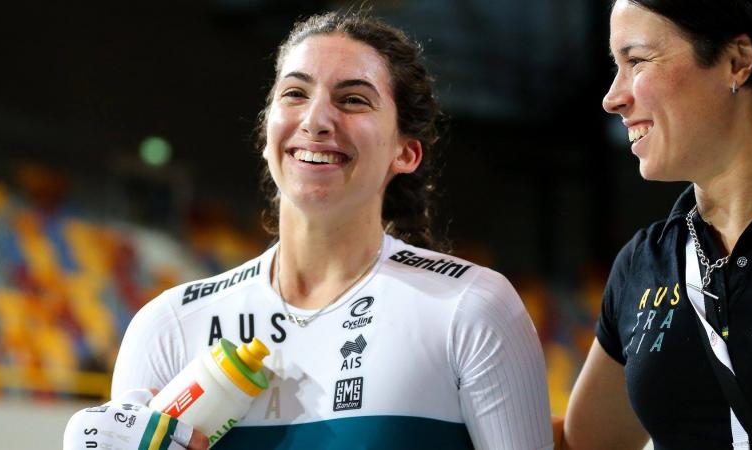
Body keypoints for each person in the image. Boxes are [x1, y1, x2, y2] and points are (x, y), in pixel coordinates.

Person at [63, 10, 553, 450]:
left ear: (406, 152)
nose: (316, 119)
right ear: (267, 132)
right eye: (295, 93)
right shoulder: (168, 327)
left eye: (354, 100)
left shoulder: (472, 308)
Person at [562, 0, 752, 449]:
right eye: (616, 65)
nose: (612, 97)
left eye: (636, 61)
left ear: (736, 61)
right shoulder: (645, 261)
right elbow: (590, 441)